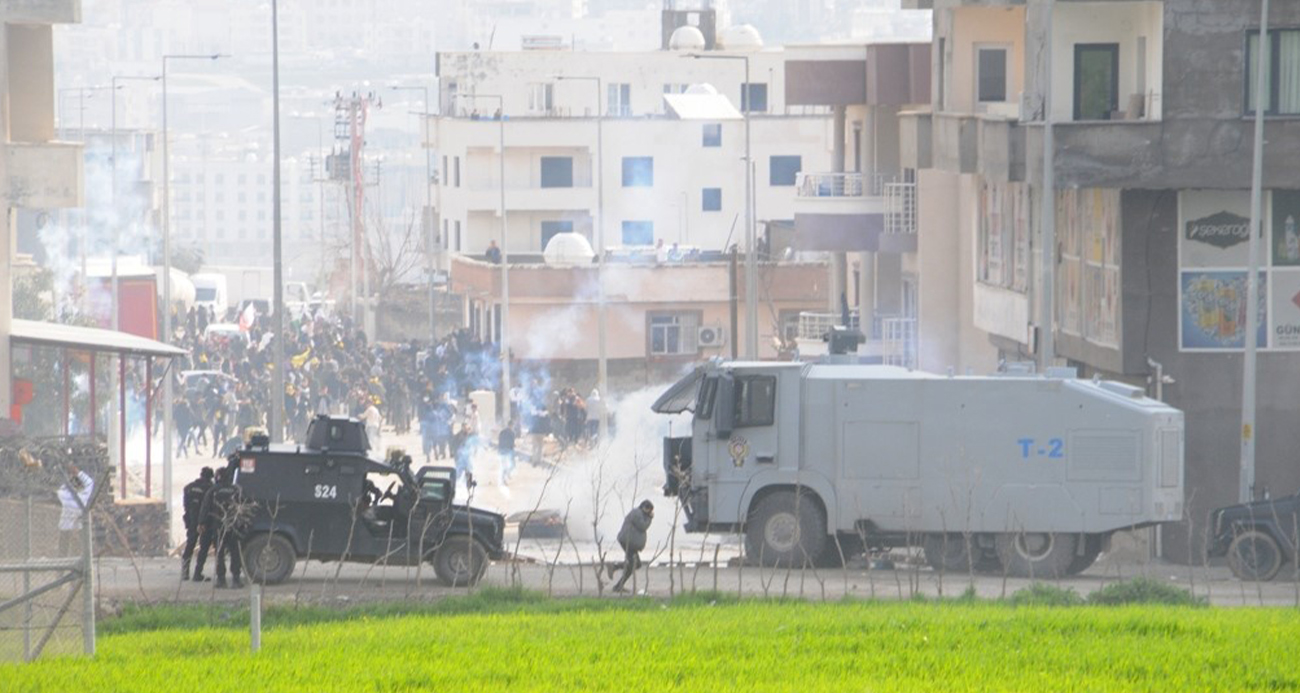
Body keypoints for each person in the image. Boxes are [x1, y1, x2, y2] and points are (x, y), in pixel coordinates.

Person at [199, 467, 246, 589]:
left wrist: (202, 523)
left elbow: (205, 508)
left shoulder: (213, 491)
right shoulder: (236, 490)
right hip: (234, 526)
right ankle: (236, 579)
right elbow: (244, 507)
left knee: (220, 553)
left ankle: (221, 580)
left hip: (218, 526)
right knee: (235, 553)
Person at [611, 500, 654, 593]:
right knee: (635, 564)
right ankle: (615, 568)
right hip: (627, 541)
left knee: (634, 564)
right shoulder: (636, 513)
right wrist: (650, 519)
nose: (649, 512)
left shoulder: (640, 514)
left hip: (630, 542)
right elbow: (642, 526)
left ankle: (618, 584)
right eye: (648, 510)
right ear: (644, 507)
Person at [181, 467, 215, 581]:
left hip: (191, 520)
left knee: (190, 545)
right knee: (204, 547)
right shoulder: (210, 489)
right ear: (210, 477)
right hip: (205, 522)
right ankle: (197, 573)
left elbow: (185, 506)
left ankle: (185, 573)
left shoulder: (188, 488)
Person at [57, 466, 94, 556]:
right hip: (81, 509)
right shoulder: (86, 484)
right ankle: (84, 555)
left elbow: (61, 493)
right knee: (81, 530)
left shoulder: (68, 487)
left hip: (70, 509)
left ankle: (63, 556)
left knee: (65, 531)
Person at [497, 420, 517, 486]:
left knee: (504, 466)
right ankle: (506, 476)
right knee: (512, 465)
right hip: (508, 451)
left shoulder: (502, 432)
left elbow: (499, 441)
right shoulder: (512, 433)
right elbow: (512, 444)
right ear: (511, 425)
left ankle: (504, 477)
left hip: (501, 450)